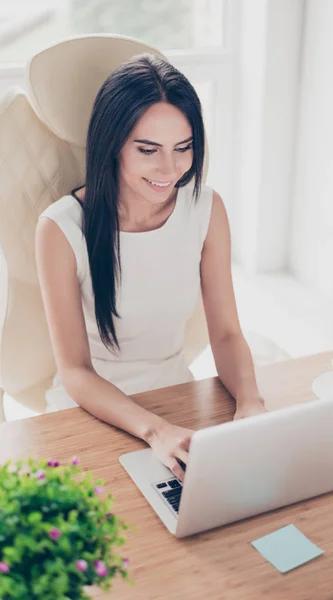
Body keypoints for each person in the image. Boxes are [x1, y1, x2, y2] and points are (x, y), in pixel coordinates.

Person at [35, 53, 267, 481]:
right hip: (90, 411)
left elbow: (227, 333)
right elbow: (75, 371)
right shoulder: (61, 228)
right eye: (148, 150)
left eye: (184, 148)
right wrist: (155, 431)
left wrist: (251, 403)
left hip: (173, 398)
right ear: (113, 145)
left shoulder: (206, 208)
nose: (170, 169)